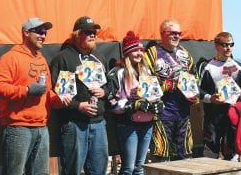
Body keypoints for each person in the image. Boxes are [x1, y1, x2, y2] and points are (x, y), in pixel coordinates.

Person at [0, 17, 71, 175]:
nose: (43, 36)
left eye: (45, 32)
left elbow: (48, 91)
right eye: (39, 31)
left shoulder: (42, 60)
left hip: (42, 128)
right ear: (26, 32)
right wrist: (27, 90)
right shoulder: (10, 58)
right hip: (17, 128)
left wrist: (58, 100)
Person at [49, 16, 109, 174]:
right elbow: (58, 95)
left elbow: (109, 86)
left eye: (94, 32)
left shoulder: (100, 58)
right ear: (76, 34)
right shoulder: (64, 58)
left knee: (99, 171)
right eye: (87, 32)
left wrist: (104, 91)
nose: (92, 35)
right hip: (74, 124)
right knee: (72, 171)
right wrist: (79, 106)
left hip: (99, 124)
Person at [107, 31, 164, 174]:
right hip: (128, 124)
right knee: (128, 168)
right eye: (135, 50)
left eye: (141, 50)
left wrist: (157, 104)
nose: (139, 53)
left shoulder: (146, 71)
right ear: (127, 52)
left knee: (140, 168)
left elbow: (155, 95)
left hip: (147, 123)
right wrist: (131, 105)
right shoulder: (118, 72)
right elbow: (111, 102)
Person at [144, 19, 198, 161]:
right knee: (162, 158)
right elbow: (146, 83)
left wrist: (193, 93)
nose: (177, 36)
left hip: (183, 114)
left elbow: (194, 75)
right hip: (162, 115)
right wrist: (169, 85)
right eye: (172, 33)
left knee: (185, 156)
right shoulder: (152, 53)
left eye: (179, 33)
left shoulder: (184, 53)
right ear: (162, 34)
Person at [197, 31, 241, 161]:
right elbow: (196, 89)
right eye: (225, 45)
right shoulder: (205, 67)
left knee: (233, 153)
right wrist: (210, 98)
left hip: (233, 115)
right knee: (210, 152)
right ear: (216, 45)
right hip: (212, 116)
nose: (229, 48)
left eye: (231, 44)